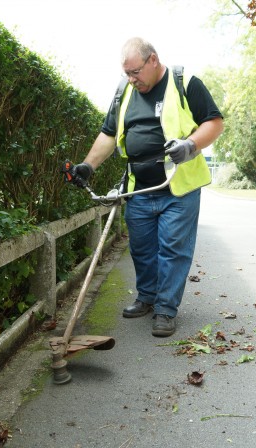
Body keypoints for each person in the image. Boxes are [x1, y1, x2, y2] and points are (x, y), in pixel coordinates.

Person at [69, 37, 224, 337]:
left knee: (173, 249)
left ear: (153, 60)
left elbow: (214, 123)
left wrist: (190, 145)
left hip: (177, 186)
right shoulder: (123, 92)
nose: (131, 79)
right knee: (141, 249)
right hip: (138, 188)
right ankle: (148, 297)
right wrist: (88, 166)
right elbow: (108, 134)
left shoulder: (184, 82)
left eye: (135, 72)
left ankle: (166, 309)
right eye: (127, 73)